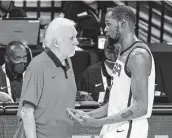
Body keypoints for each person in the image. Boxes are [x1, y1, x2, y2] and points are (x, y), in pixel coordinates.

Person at [67, 5, 155, 138]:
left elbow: (140, 107)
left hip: (129, 127)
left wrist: (98, 122)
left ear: (122, 24)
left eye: (108, 24)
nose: (105, 29)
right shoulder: (123, 52)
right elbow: (117, 101)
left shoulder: (138, 55)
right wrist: (89, 115)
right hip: (115, 125)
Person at [15, 18, 79, 138]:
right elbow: (26, 111)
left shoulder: (68, 61)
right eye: (72, 38)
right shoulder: (38, 66)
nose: (77, 42)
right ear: (56, 42)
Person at [77, 38, 120, 103]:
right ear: (108, 54)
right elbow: (79, 101)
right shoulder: (89, 75)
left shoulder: (130, 72)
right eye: (121, 54)